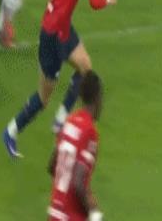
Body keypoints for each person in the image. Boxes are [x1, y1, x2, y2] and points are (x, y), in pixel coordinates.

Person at [2, 0, 117, 158]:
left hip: (60, 26)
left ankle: (61, 118)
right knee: (43, 98)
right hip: (53, 35)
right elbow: (94, 1)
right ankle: (11, 131)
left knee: (85, 66)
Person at [47, 71, 104, 221]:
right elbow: (78, 183)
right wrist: (94, 211)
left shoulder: (69, 122)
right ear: (98, 98)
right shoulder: (90, 132)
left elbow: (52, 166)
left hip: (55, 213)